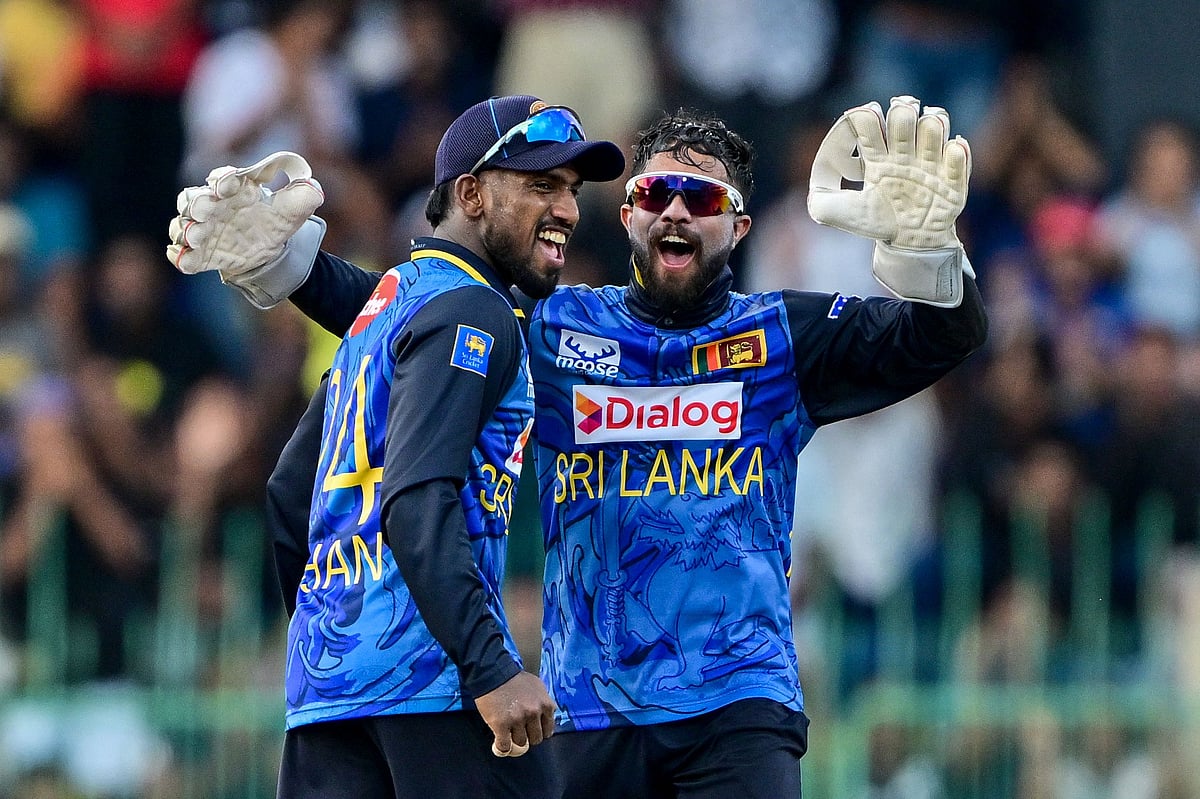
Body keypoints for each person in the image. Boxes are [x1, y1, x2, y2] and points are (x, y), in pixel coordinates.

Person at [169, 95, 987, 797]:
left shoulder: (783, 336)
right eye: (655, 191)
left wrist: (926, 251)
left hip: (737, 703)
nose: (675, 211)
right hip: (588, 706)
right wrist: (296, 268)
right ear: (627, 213)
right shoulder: (557, 327)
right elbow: (423, 319)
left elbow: (939, 338)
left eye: (702, 198)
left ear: (739, 226)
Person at [167, 95, 626, 797]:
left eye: (570, 189)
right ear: (470, 194)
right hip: (437, 688)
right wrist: (490, 667)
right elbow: (415, 498)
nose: (566, 208)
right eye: (542, 185)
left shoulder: (385, 314)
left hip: (329, 697)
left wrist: (335, 638)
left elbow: (290, 492)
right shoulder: (475, 311)